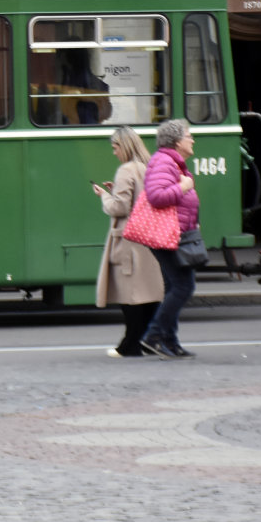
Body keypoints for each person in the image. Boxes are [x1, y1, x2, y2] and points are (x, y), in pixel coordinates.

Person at [92, 126, 162, 357]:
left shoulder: (126, 170)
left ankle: (129, 345)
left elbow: (119, 207)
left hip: (128, 240)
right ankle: (148, 341)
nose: (114, 152)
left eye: (115, 147)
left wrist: (104, 196)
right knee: (149, 294)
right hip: (149, 238)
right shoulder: (148, 166)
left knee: (129, 296)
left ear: (124, 146)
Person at [139, 119, 200, 360]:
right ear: (176, 141)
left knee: (176, 287)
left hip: (177, 233)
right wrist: (184, 187)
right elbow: (157, 196)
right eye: (189, 135)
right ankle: (153, 336)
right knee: (184, 286)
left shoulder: (173, 162)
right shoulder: (165, 161)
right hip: (167, 234)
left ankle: (170, 341)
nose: (192, 139)